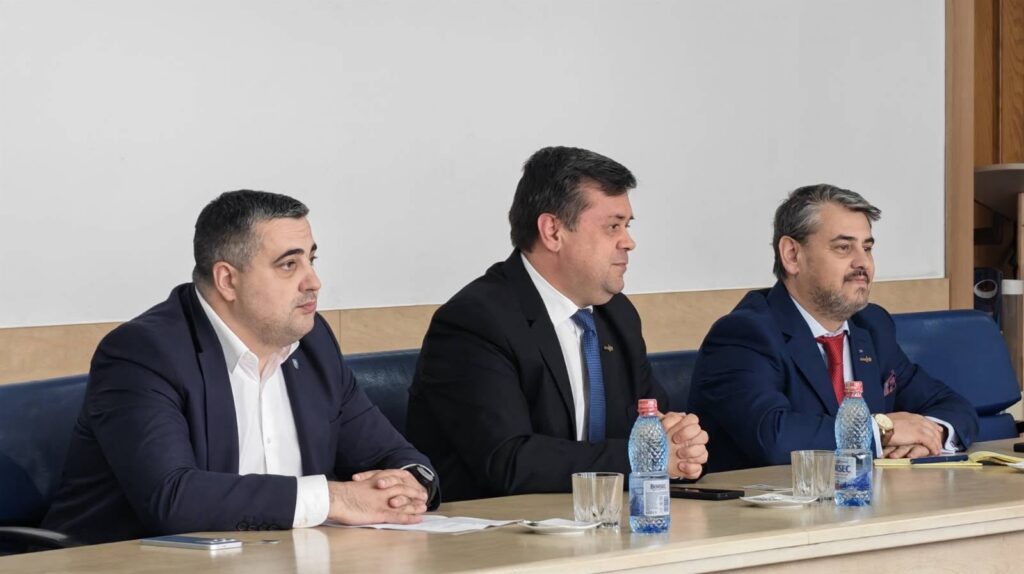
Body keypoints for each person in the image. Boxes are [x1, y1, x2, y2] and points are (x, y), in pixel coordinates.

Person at [43, 190, 439, 544]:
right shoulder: (144, 354)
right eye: (289, 265)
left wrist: (407, 485)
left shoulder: (312, 343)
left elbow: (393, 454)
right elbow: (172, 498)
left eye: (312, 260)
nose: (313, 281)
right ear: (228, 280)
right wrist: (334, 499)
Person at [406, 146, 708, 501]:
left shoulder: (617, 316)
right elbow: (509, 461)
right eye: (613, 226)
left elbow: (654, 427)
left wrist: (682, 444)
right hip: (497, 538)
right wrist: (644, 458)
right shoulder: (475, 321)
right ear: (552, 231)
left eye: (627, 226)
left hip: (602, 525)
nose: (629, 242)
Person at [689, 184, 979, 473]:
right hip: (770, 512)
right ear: (792, 255)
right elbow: (774, 437)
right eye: (843, 248)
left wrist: (933, 433)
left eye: (867, 247)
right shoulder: (744, 334)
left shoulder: (871, 325)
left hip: (867, 503)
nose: (863, 263)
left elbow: (951, 404)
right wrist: (881, 432)